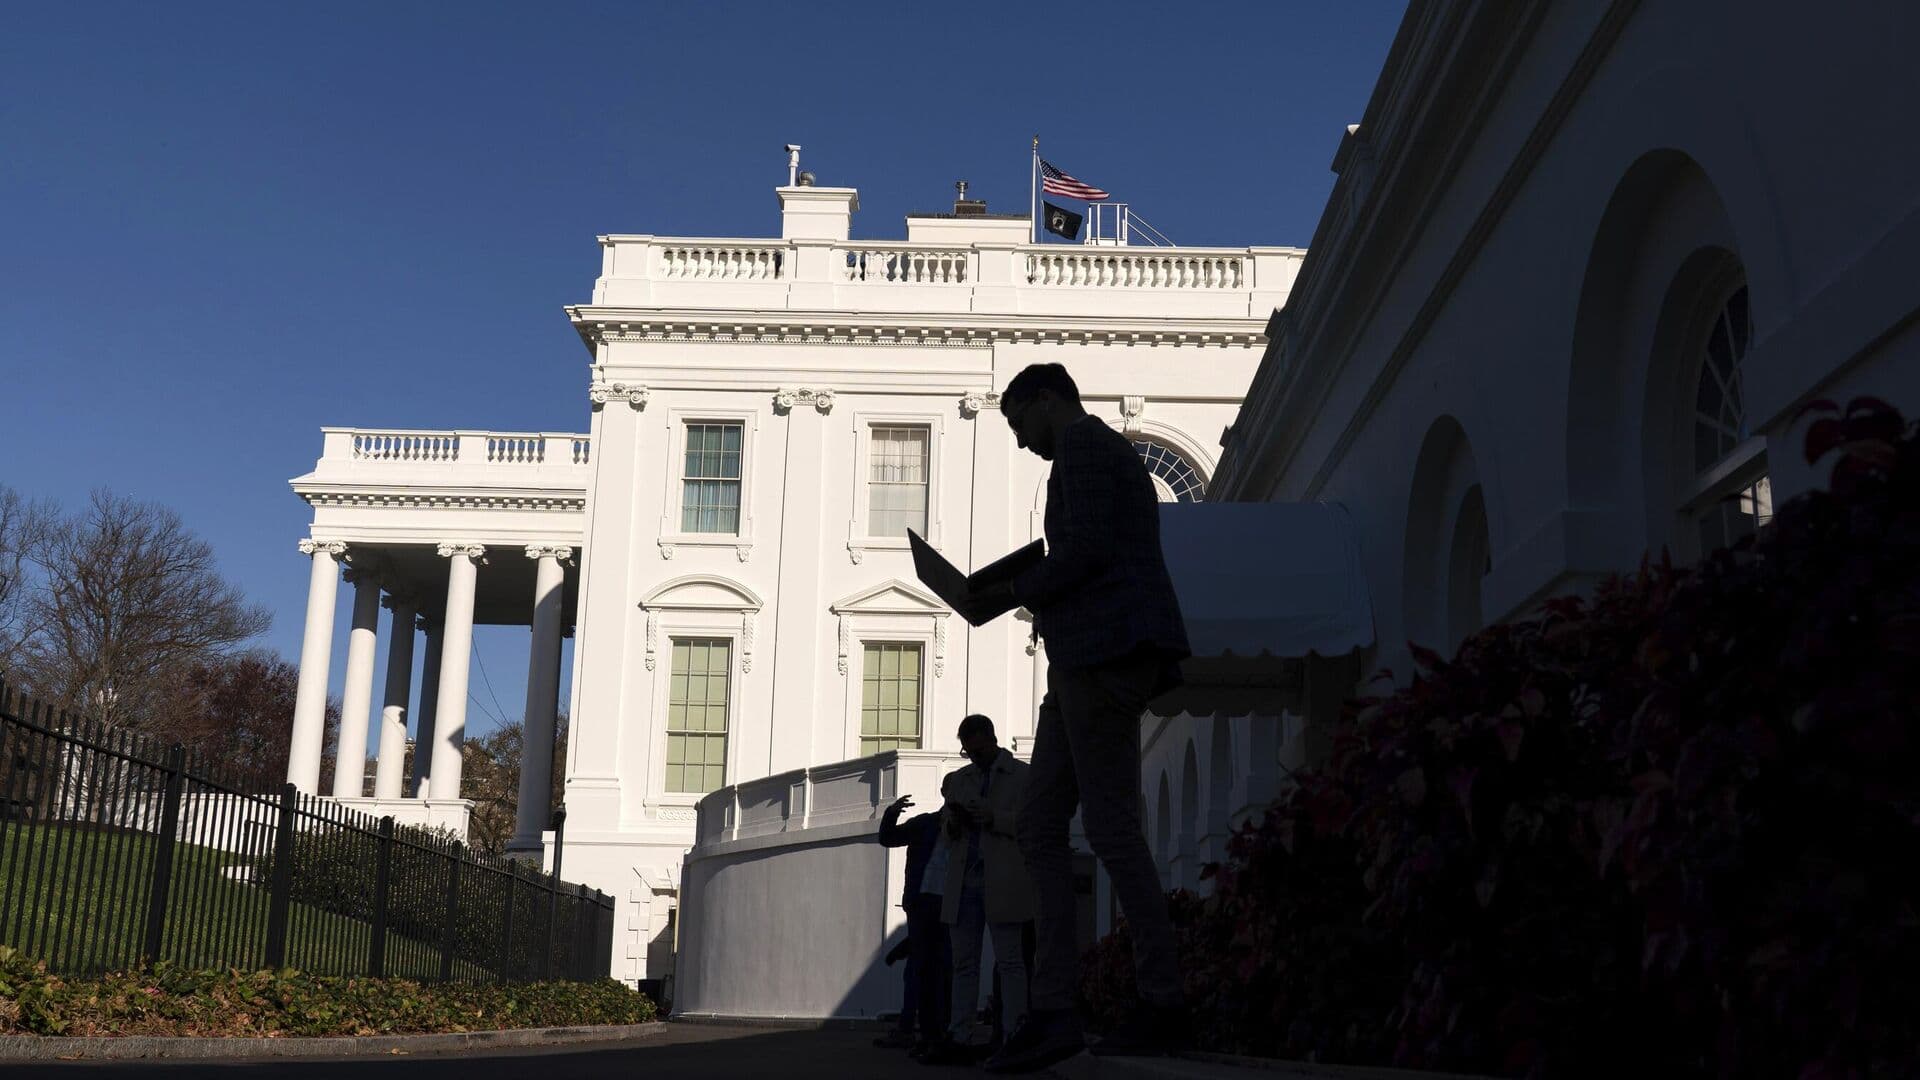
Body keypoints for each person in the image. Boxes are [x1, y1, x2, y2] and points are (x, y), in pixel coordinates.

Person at [980, 362, 1193, 1073]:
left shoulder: (1084, 446)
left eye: (1019, 423)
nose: (1021, 442)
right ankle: (1055, 1011)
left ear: (1046, 399)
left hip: (1105, 653)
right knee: (1041, 824)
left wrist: (1013, 588)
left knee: (1110, 829)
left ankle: (1161, 1000)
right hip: (1081, 658)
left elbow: (1091, 547)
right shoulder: (1091, 450)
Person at [920, 714, 1034, 1066]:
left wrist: (994, 817)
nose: (972, 756)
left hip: (1002, 880)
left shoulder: (1022, 776)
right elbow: (945, 828)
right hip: (964, 882)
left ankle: (1014, 1033)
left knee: (1010, 961)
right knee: (964, 964)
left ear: (991, 739)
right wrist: (954, 823)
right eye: (967, 752)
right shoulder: (961, 780)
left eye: (977, 750)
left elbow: (1033, 824)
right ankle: (960, 1034)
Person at [876, 792, 951, 1057]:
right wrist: (892, 813)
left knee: (938, 968)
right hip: (923, 902)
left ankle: (933, 1031)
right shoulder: (924, 824)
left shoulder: (966, 828)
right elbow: (888, 838)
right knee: (923, 967)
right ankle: (915, 1030)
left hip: (948, 904)